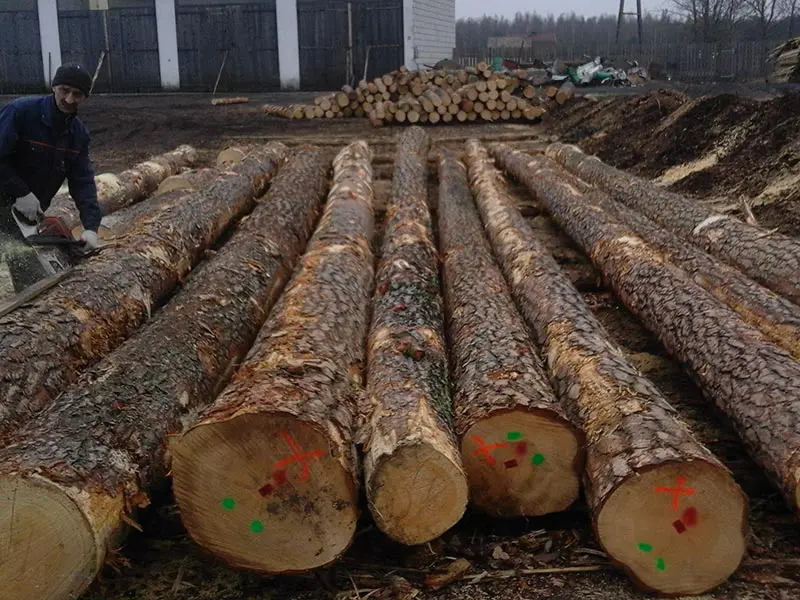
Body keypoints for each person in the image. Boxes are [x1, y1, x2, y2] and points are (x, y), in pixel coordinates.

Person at [0, 63, 103, 291]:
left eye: (77, 94)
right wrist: (21, 192)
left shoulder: (78, 134)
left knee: (34, 275)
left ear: (84, 98)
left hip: (24, 212)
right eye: (64, 90)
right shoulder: (21, 112)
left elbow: (83, 182)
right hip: (9, 196)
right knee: (31, 272)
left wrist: (91, 228)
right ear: (54, 86)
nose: (68, 99)